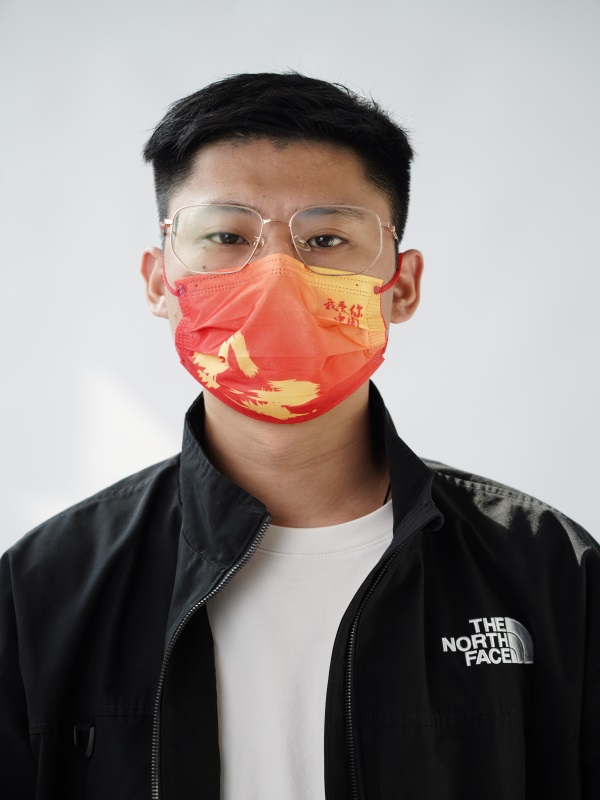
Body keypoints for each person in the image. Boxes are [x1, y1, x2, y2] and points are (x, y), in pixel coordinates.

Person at [1, 72, 598, 800]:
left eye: (326, 239)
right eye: (226, 236)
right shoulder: (45, 590)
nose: (276, 276)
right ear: (159, 281)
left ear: (401, 285)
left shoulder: (550, 573)